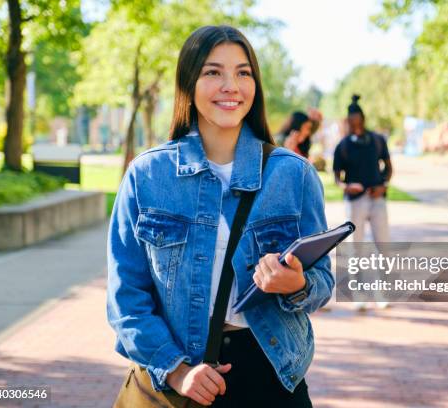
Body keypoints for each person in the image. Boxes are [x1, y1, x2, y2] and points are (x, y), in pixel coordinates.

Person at [107, 25, 332, 407]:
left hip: (271, 376)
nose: (231, 85)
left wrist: (296, 284)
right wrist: (177, 371)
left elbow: (323, 281)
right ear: (189, 84)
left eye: (243, 73)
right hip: (179, 376)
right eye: (213, 72)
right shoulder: (146, 177)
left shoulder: (293, 175)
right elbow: (126, 299)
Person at [332, 94, 393, 311]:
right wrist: (346, 186)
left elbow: (388, 167)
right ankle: (359, 295)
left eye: (358, 120)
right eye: (351, 121)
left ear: (363, 119)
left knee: (382, 246)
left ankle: (382, 294)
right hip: (355, 201)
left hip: (377, 200)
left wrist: (384, 184)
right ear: (348, 121)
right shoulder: (343, 146)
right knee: (354, 249)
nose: (355, 124)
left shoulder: (377, 140)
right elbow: (337, 178)